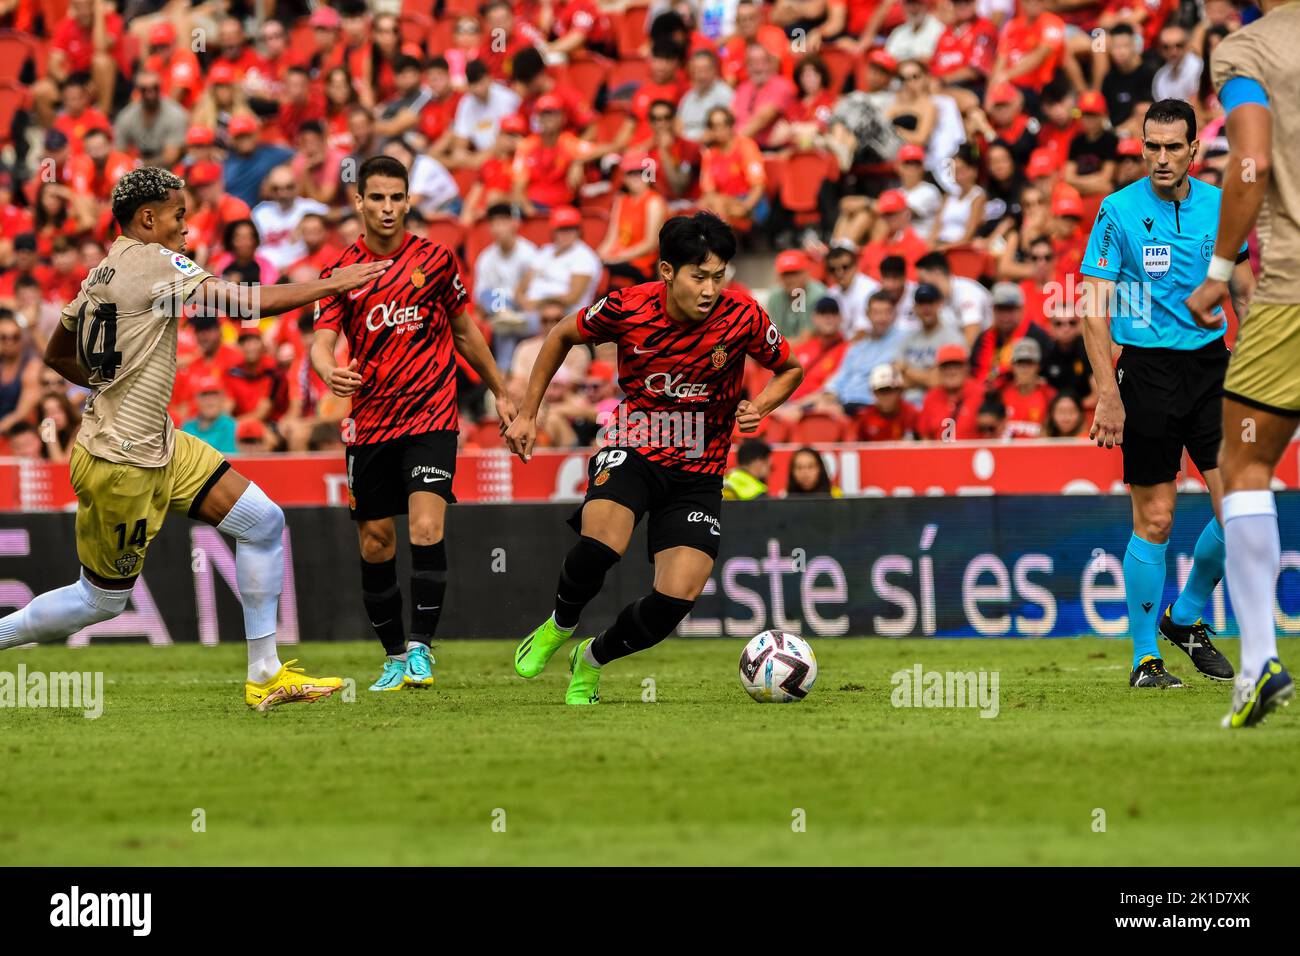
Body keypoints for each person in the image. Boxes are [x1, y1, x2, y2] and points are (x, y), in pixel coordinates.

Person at [0, 167, 389, 708]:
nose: (188, 226)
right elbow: (243, 303)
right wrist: (333, 283)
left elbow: (57, 353)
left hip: (159, 442)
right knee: (101, 601)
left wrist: (110, 387)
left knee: (262, 521)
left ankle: (265, 675)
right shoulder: (157, 262)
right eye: (179, 215)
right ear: (148, 218)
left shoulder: (99, 275)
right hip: (121, 461)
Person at [503, 212, 802, 704]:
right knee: (603, 543)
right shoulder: (627, 307)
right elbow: (560, 335)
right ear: (667, 271)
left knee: (674, 601)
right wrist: (529, 414)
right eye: (698, 276)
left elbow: (790, 367)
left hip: (700, 472)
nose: (710, 288)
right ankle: (560, 623)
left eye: (718, 276)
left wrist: (762, 405)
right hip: (634, 445)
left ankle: (591, 658)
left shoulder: (743, 317)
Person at [308, 156, 513, 693]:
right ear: (358, 203)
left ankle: (422, 649)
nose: (387, 207)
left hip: (431, 414)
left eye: (397, 197)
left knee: (426, 527)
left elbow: (465, 331)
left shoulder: (437, 260)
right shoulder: (341, 272)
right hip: (370, 422)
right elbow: (321, 341)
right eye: (377, 198)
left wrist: (500, 391)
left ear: (407, 201)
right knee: (376, 542)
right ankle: (394, 654)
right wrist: (330, 371)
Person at [1081, 99, 1254, 691]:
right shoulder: (1117, 210)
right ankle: (1144, 659)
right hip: (1148, 373)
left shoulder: (1221, 207)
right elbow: (1093, 308)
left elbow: (1248, 299)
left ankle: (1186, 615)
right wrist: (1108, 393)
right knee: (1155, 519)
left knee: (1241, 509)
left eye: (1171, 147)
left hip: (1212, 370)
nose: (1159, 157)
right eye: (1150, 146)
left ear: (1193, 150)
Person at [1185, 0, 1299, 726]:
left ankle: (1257, 663)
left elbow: (1249, 163)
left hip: (1291, 288)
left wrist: (1221, 270)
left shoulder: (1247, 50)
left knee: (1246, 463)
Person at [855, 363, 921, 441]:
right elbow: (856, 449)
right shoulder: (865, 418)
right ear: (873, 393)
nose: (886, 396)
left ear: (900, 391)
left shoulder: (913, 414)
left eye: (890, 390)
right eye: (881, 391)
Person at [181, 377, 238, 455]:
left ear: (223, 398)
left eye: (214, 395)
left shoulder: (233, 427)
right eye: (204, 395)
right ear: (196, 399)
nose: (209, 400)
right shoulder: (187, 428)